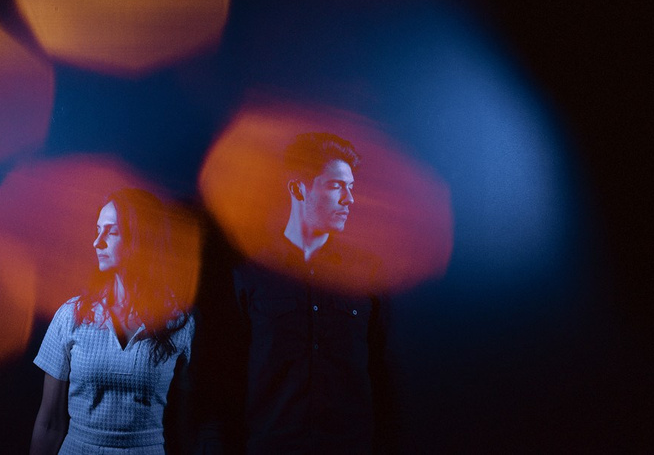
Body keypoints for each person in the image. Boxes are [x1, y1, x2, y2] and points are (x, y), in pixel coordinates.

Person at [191, 132, 398, 455]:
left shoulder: (365, 277)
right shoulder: (249, 277)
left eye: (351, 187)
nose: (349, 199)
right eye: (336, 186)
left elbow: (382, 374)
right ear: (298, 188)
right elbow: (222, 380)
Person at [30, 188, 196, 455]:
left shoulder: (179, 323)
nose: (97, 242)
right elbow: (49, 423)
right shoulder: (71, 315)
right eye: (98, 230)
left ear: (141, 239)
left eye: (112, 232)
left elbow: (187, 426)